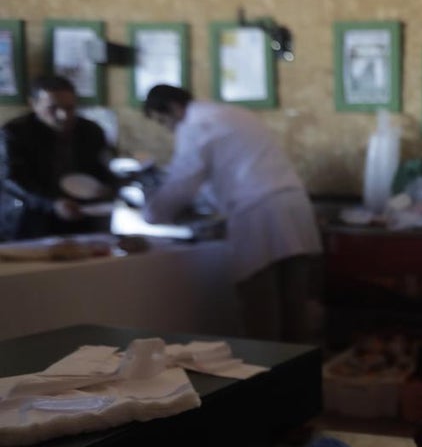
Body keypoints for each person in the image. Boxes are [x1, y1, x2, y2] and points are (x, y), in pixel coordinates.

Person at [141, 85, 322, 342]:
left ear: (173, 108)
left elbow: (183, 182)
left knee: (261, 315)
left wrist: (151, 214)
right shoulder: (232, 113)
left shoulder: (194, 125)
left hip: (258, 213)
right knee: (295, 313)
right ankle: (301, 381)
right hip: (294, 205)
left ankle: (266, 380)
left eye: (163, 121)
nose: (168, 129)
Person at [0, 75, 118, 240]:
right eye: (52, 108)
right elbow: (11, 180)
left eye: (70, 108)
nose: (63, 115)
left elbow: (103, 168)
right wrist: (52, 204)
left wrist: (108, 187)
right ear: (33, 104)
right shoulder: (14, 133)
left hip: (83, 215)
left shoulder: (91, 130)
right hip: (31, 217)